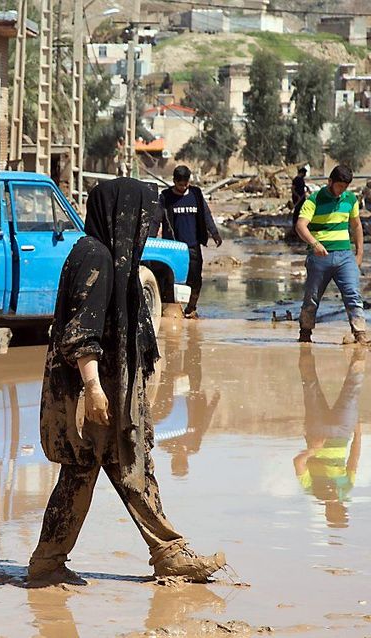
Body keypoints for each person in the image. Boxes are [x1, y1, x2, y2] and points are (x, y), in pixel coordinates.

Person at [27, 177, 226, 587]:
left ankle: (158, 553)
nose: (147, 228)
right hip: (95, 393)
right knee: (111, 470)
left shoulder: (114, 258)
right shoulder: (95, 257)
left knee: (119, 471)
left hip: (111, 389)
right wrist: (95, 389)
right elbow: (82, 333)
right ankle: (161, 554)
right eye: (143, 219)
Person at [294, 165, 367, 344]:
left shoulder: (350, 199)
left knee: (353, 294)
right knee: (312, 297)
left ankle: (360, 334)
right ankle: (305, 334)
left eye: (345, 187)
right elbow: (300, 225)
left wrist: (359, 254)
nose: (342, 190)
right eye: (339, 186)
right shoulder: (314, 200)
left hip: (345, 256)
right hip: (319, 258)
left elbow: (356, 226)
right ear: (330, 182)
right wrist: (314, 244)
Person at [293, 348, 364, 529]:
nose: (338, 509)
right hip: (341, 432)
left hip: (319, 433)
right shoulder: (345, 489)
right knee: (351, 393)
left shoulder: (313, 490)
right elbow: (354, 459)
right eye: (341, 512)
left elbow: (298, 463)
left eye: (337, 513)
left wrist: (313, 451)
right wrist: (358, 433)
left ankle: (305, 350)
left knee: (312, 389)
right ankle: (358, 355)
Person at [159, 165, 223, 319]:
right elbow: (156, 218)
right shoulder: (165, 197)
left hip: (193, 245)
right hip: (173, 248)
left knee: (195, 279)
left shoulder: (196, 194)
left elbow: (206, 214)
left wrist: (214, 233)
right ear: (174, 181)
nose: (183, 187)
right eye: (180, 184)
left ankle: (191, 308)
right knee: (172, 280)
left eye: (186, 184)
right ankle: (172, 310)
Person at [290, 166, 309, 230]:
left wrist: (306, 187)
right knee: (297, 210)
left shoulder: (301, 179)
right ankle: (294, 224)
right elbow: (292, 189)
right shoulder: (296, 179)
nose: (305, 175)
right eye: (304, 173)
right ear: (302, 173)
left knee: (302, 210)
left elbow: (302, 186)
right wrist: (297, 195)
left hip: (302, 197)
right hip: (297, 198)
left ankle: (300, 223)